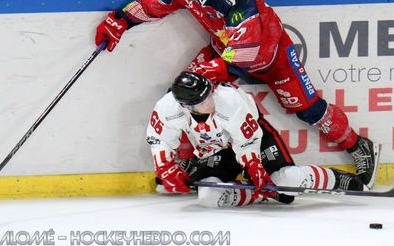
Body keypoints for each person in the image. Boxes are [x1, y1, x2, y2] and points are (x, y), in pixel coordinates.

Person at [95, 0, 381, 189]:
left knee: (308, 109)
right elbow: (152, 3)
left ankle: (358, 146)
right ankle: (201, 159)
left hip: (270, 54)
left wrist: (218, 71)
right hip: (223, 51)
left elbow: (248, 46)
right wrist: (121, 20)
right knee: (187, 93)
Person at [146, 71, 367, 207]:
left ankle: (338, 179)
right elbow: (159, 139)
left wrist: (254, 168)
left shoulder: (230, 100)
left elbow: (247, 141)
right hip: (217, 151)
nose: (211, 98)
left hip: (255, 139)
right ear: (187, 106)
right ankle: (260, 195)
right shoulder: (167, 107)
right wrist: (165, 168)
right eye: (204, 100)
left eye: (210, 92)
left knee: (286, 180)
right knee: (209, 198)